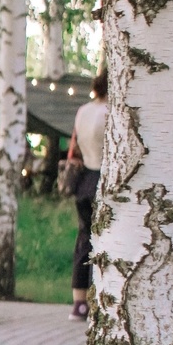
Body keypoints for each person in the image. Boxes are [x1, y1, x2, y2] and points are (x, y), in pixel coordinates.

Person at [67, 69, 107, 322]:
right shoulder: (111, 112)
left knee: (84, 239)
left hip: (84, 181)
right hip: (103, 177)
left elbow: (76, 147)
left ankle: (79, 302)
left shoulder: (83, 111)